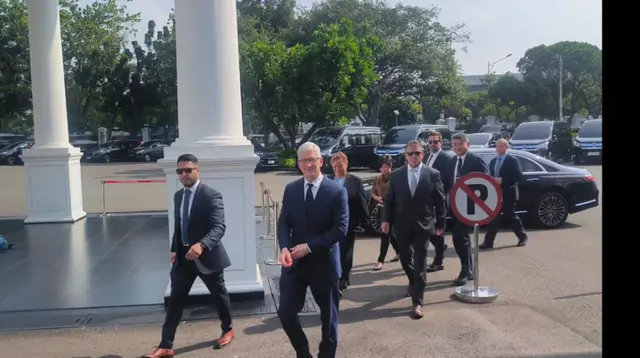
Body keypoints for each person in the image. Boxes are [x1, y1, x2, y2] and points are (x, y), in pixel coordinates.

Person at [143, 154, 234, 358]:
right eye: (180, 171)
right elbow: (180, 225)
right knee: (175, 300)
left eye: (188, 170)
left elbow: (219, 227)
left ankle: (228, 329)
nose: (184, 174)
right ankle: (166, 344)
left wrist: (202, 245)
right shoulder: (178, 196)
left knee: (219, 296)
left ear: (197, 170)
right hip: (184, 259)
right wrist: (175, 249)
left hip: (206, 256)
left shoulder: (211, 195)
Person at [277, 142, 349, 358]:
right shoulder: (291, 189)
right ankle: (303, 352)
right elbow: (283, 223)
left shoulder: (336, 191)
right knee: (286, 313)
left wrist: (309, 247)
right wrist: (283, 248)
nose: (309, 164)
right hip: (295, 265)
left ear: (321, 161)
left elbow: (341, 229)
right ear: (298, 164)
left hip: (324, 264)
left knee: (329, 319)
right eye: (304, 160)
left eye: (312, 159)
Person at [380, 140, 446, 319]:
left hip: (424, 225)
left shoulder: (433, 174)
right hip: (401, 225)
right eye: (411, 153)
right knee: (405, 258)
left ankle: (418, 302)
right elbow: (389, 200)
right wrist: (385, 219)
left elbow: (440, 201)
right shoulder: (397, 175)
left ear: (422, 155)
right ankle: (413, 280)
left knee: (420, 262)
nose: (414, 156)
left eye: (417, 153)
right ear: (405, 156)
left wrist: (441, 223)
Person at [445, 133, 489, 286]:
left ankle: (466, 270)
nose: (457, 147)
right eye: (454, 144)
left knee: (459, 236)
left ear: (467, 145)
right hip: (454, 207)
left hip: (470, 208)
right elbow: (446, 184)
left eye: (460, 144)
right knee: (461, 239)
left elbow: (486, 183)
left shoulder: (476, 161)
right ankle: (468, 269)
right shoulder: (451, 162)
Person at [327, 152, 369, 297]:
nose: (338, 169)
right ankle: (333, 278)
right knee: (331, 252)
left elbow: (362, 202)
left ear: (346, 165)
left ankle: (343, 280)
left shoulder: (355, 181)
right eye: (335, 166)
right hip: (330, 224)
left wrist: (364, 222)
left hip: (348, 224)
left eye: (341, 166)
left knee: (345, 253)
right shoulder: (327, 180)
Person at [480, 138, 528, 249]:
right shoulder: (493, 161)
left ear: (507, 147)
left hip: (508, 193)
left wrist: (503, 180)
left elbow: (518, 176)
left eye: (501, 146)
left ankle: (522, 236)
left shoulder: (512, 160)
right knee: (494, 218)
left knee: (511, 216)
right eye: (497, 146)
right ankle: (488, 242)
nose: (498, 148)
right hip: (495, 194)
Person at [423, 131, 454, 273]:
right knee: (429, 230)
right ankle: (440, 246)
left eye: (435, 142)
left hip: (438, 200)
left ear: (441, 143)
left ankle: (439, 260)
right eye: (430, 142)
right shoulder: (427, 156)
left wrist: (438, 196)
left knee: (437, 230)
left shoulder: (446, 158)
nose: (432, 145)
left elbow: (448, 181)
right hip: (425, 200)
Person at [371, 156, 400, 271]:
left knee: (385, 234)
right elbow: (373, 192)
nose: (383, 169)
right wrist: (377, 197)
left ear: (390, 167)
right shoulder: (377, 178)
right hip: (382, 207)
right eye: (382, 167)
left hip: (393, 209)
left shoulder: (395, 178)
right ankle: (399, 252)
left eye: (386, 167)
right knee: (388, 233)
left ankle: (380, 260)